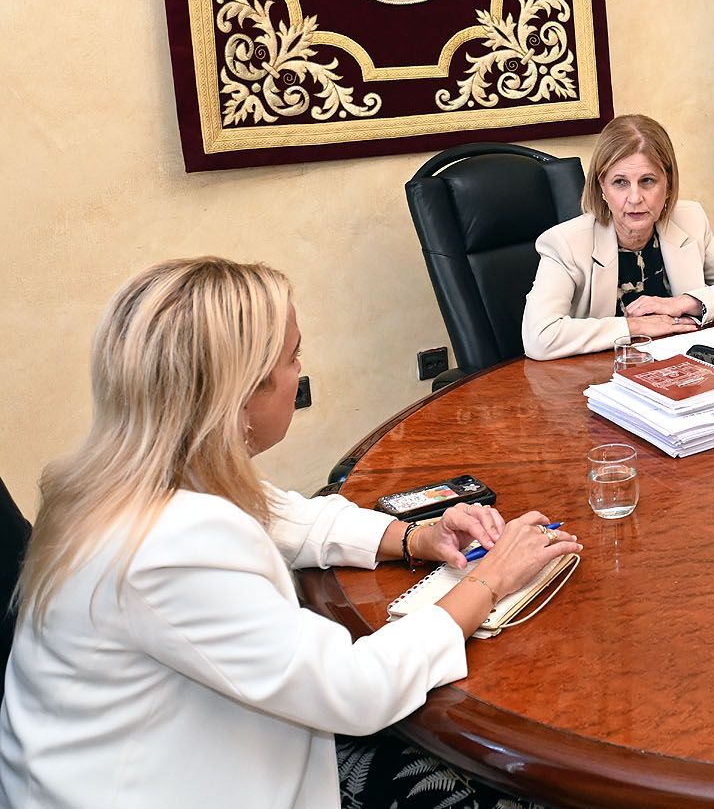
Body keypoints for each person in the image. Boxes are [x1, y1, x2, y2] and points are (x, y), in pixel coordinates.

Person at [0, 257, 583, 809]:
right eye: (292, 357)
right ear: (239, 393)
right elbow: (357, 690)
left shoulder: (120, 476)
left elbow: (287, 516)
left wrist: (417, 537)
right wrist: (489, 580)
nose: (299, 372)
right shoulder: (168, 546)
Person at [522, 113, 714, 359]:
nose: (635, 198)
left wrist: (684, 302)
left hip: (679, 368)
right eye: (620, 182)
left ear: (668, 184)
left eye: (648, 181)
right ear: (602, 188)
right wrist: (636, 327)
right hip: (600, 373)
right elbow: (540, 337)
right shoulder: (566, 243)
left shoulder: (690, 220)